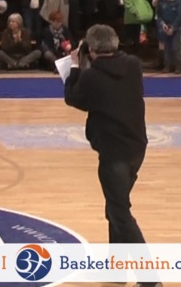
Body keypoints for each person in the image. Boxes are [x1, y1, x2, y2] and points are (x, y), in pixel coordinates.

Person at [63, 25, 159, 287]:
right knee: (114, 209)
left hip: (113, 153)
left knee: (120, 213)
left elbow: (73, 98)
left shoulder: (91, 76)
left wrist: (75, 67)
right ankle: (116, 272)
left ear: (91, 50)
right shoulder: (134, 64)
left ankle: (150, 279)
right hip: (137, 148)